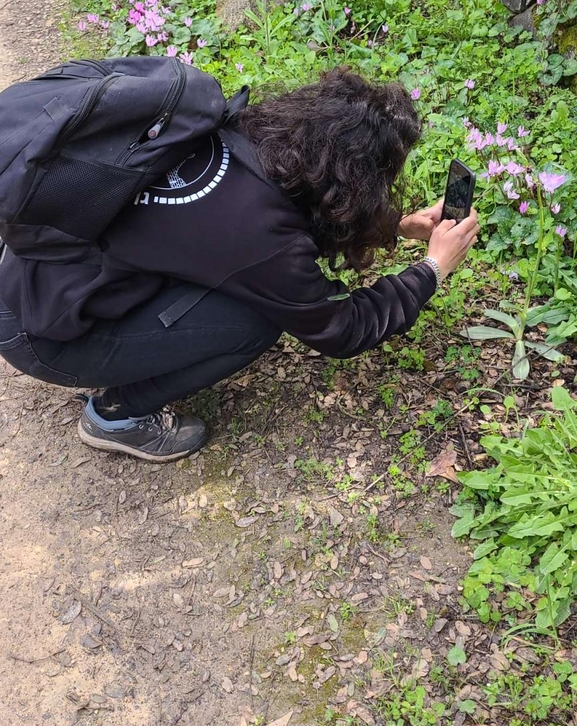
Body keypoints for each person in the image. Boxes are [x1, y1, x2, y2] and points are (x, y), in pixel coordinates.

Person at [0, 68, 478, 462]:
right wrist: (431, 269)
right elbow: (343, 328)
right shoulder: (263, 240)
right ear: (356, 179)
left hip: (28, 271)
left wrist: (393, 225)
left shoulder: (233, 127)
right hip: (38, 335)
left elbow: (302, 210)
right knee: (254, 322)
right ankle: (116, 416)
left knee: (233, 285)